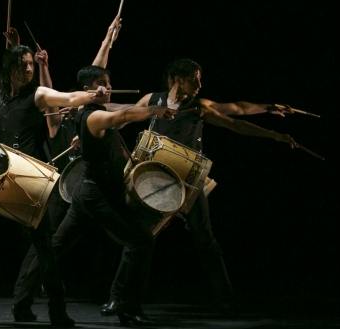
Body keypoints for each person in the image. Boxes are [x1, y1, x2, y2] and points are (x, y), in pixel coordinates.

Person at [100, 58, 298, 315]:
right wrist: (90, 120)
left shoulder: (198, 107)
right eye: (195, 77)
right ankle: (119, 298)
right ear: (177, 79)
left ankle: (225, 299)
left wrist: (271, 121)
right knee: (139, 238)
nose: (200, 83)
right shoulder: (152, 101)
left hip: (189, 182)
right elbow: (122, 116)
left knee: (205, 239)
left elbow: (236, 112)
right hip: (156, 180)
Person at [0, 44, 107, 328]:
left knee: (45, 250)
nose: (28, 69)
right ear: (10, 68)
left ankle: (58, 311)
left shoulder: (38, 95)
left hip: (29, 183)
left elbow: (68, 97)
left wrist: (92, 95)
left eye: (30, 65)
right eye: (22, 64)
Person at [51, 65, 174, 326]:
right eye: (99, 83)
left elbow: (123, 109)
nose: (105, 87)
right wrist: (154, 110)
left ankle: (25, 299)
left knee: (55, 248)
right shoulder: (93, 116)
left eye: (107, 82)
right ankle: (127, 307)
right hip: (96, 195)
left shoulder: (96, 110)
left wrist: (147, 106)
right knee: (141, 240)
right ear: (86, 90)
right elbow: (123, 115)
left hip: (92, 193)